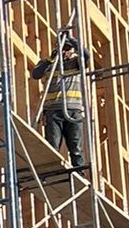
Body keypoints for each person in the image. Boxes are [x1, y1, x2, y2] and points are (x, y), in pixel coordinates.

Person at [31, 29, 90, 168]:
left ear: (72, 50)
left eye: (67, 48)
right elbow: (36, 74)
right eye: (62, 48)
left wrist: (73, 40)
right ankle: (54, 171)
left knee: (76, 148)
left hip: (73, 110)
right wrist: (51, 59)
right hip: (53, 111)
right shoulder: (47, 64)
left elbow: (86, 56)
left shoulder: (76, 63)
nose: (65, 51)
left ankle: (79, 173)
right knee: (52, 146)